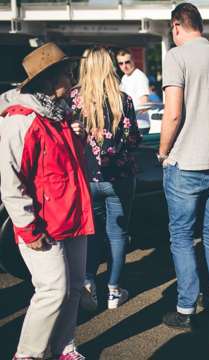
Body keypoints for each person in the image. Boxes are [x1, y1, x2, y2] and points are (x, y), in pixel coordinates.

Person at [0, 43, 94, 360]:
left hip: (72, 215)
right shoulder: (21, 119)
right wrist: (28, 228)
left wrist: (78, 137)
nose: (73, 79)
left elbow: (69, 169)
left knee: (74, 288)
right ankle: (28, 354)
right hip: (44, 223)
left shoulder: (59, 115)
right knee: (53, 289)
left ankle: (64, 347)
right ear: (49, 79)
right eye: (68, 73)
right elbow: (11, 181)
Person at [158, 2, 209, 330]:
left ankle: (186, 306)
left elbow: (173, 112)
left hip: (186, 163)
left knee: (181, 236)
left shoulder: (176, 57)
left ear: (177, 25)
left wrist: (163, 151)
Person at [69, 46, 142, 312]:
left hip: (87, 177)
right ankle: (113, 290)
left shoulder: (73, 99)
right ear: (109, 66)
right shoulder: (123, 99)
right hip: (119, 177)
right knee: (118, 233)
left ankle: (88, 285)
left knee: (91, 232)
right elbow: (134, 140)